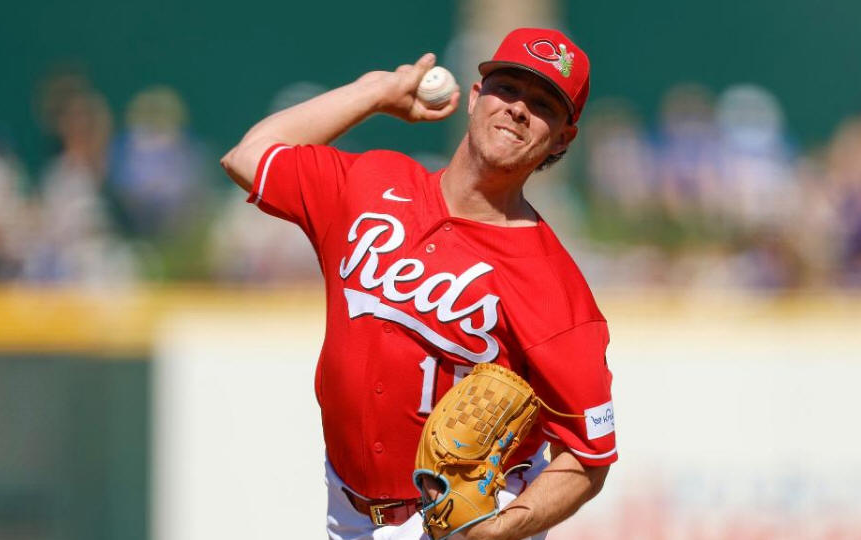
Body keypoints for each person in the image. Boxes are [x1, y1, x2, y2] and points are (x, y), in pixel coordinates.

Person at [221, 28, 617, 540]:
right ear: (475, 97)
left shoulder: (554, 287)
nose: (518, 109)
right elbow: (247, 156)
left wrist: (499, 529)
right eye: (507, 88)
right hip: (346, 512)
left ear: (563, 138)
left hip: (464, 521)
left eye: (543, 104)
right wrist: (374, 93)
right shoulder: (371, 185)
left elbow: (588, 457)